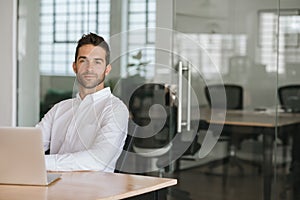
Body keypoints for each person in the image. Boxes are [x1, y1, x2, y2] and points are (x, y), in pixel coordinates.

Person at [36, 33, 129, 172]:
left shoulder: (115, 109)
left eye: (97, 62)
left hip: (94, 192)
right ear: (75, 67)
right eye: (83, 61)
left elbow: (97, 161)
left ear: (107, 69)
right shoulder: (59, 109)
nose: (89, 68)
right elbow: (30, 147)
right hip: (51, 188)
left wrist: (41, 162)